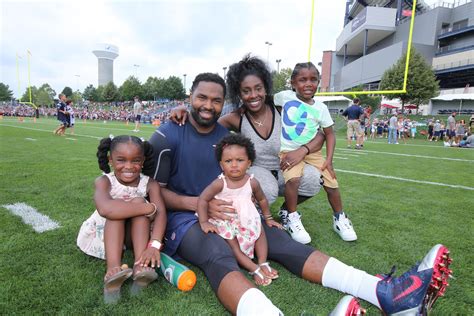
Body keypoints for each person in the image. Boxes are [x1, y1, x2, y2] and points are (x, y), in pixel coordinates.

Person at [148, 72, 451, 315]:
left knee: (279, 239)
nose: (207, 105)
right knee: (217, 253)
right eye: (201, 97)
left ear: (223, 103)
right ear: (190, 97)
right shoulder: (168, 133)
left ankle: (385, 293)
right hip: (184, 219)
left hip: (234, 212)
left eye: (216, 100)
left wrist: (257, 213)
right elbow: (155, 193)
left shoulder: (227, 134)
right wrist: (201, 206)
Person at [273, 62, 357, 243]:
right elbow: (268, 106)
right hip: (289, 150)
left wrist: (329, 160)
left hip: (313, 153)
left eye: (313, 79)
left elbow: (329, 134)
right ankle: (291, 217)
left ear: (319, 82)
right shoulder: (283, 97)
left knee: (332, 184)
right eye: (302, 80)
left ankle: (339, 218)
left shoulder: (321, 108)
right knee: (293, 180)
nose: (308, 84)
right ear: (293, 82)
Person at [77, 135, 167, 303]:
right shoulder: (104, 181)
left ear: (143, 161)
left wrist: (154, 245)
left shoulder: (149, 183)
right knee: (118, 208)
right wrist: (148, 208)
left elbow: (161, 214)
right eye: (121, 160)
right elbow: (105, 209)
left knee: (138, 200)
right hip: (104, 234)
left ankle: (141, 265)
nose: (129, 166)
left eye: (135, 161)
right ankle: (113, 269)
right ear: (110, 159)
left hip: (131, 235)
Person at [197, 134, 282, 286]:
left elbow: (262, 199)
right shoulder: (220, 183)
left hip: (248, 217)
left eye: (240, 160)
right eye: (229, 161)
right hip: (228, 220)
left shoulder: (252, 182)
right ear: (222, 164)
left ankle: (262, 262)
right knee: (233, 244)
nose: (234, 165)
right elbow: (203, 199)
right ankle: (253, 268)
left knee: (260, 232)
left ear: (249, 163)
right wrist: (203, 221)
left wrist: (268, 218)